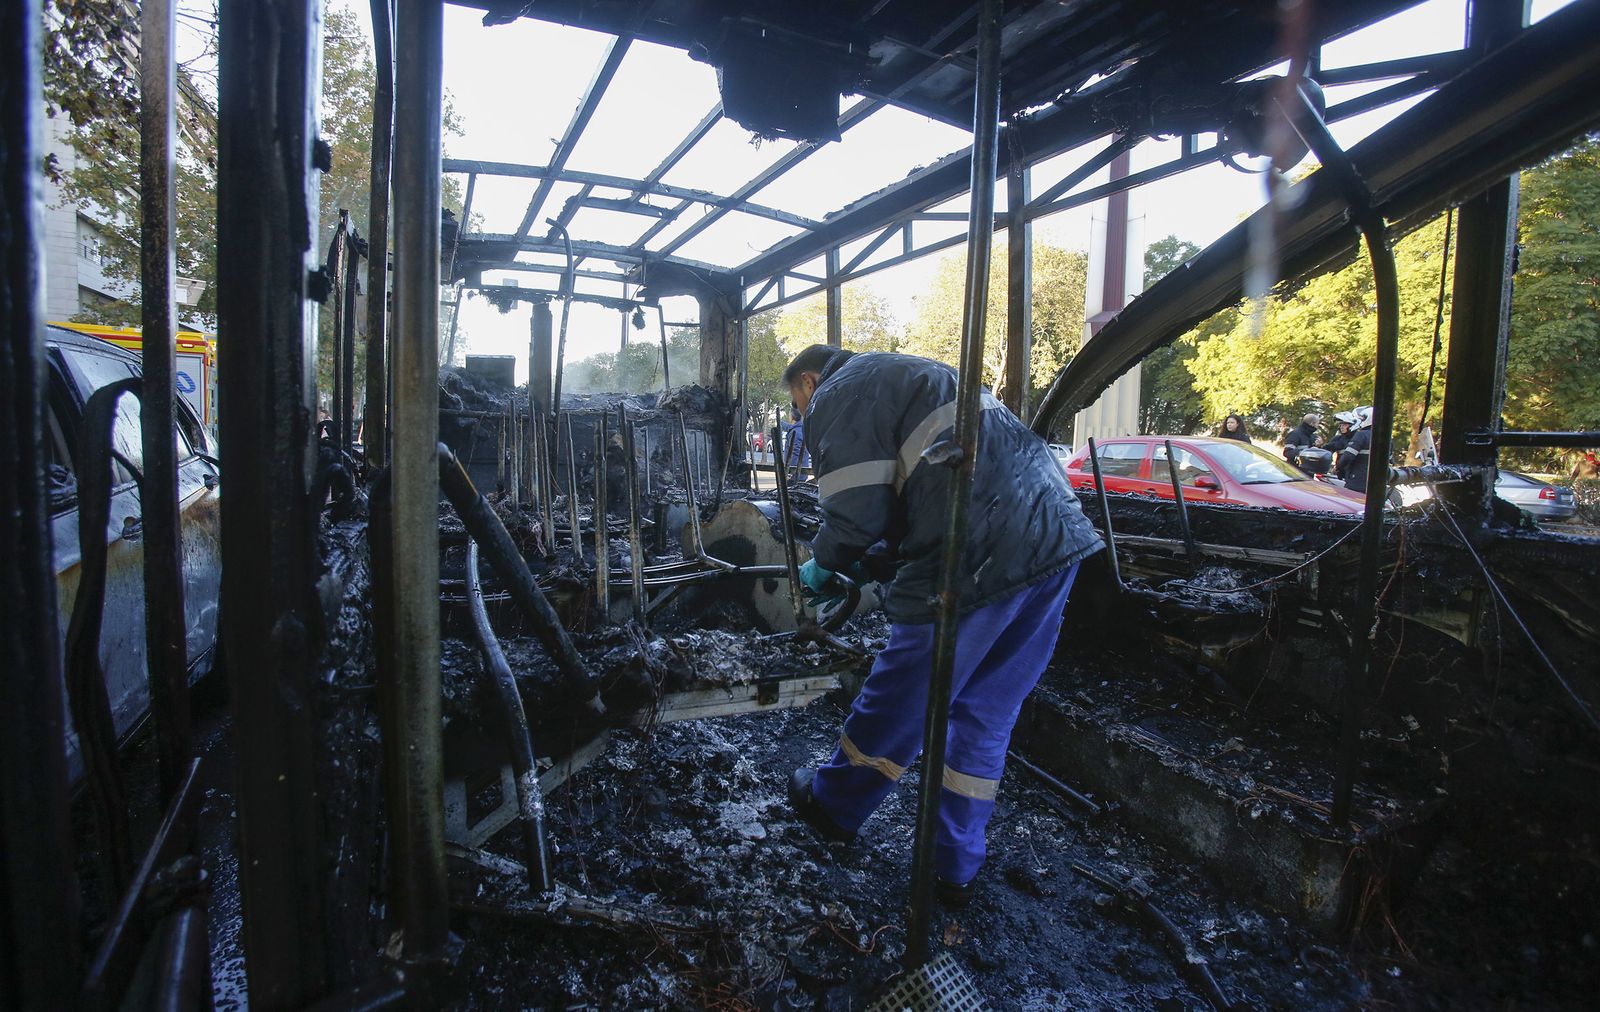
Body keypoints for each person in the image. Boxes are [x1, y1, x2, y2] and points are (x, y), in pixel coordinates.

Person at [779, 344, 1103, 906]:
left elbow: (856, 513)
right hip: (1056, 540)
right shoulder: (916, 374)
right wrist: (875, 559)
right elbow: (914, 488)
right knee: (984, 714)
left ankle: (833, 805)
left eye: (796, 404)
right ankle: (953, 862)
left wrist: (825, 559)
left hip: (976, 552)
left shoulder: (840, 389)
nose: (798, 417)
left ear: (809, 379)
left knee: (902, 692)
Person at [1336, 406, 1374, 494]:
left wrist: (1339, 468)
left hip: (1357, 480)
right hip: (1379, 483)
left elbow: (1347, 456)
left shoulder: (1361, 435)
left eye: (1361, 418)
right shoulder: (1387, 437)